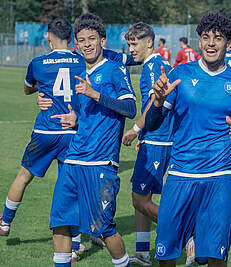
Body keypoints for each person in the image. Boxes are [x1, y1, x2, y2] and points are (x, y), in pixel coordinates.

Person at [145, 12, 231, 266]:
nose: (211, 43)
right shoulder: (179, 74)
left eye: (218, 38)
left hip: (220, 177)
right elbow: (152, 124)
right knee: (166, 255)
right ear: (199, 41)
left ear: (229, 43)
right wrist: (157, 101)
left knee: (216, 257)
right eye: (206, 37)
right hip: (181, 173)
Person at [49, 13, 136, 267]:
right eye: (82, 40)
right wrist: (74, 118)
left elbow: (130, 108)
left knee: (103, 228)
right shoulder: (80, 73)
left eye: (92, 39)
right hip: (74, 158)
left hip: (101, 162)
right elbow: (85, 113)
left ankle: (124, 263)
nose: (87, 44)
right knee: (61, 223)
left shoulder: (114, 69)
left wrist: (95, 94)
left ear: (102, 41)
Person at [0, 18, 87, 258]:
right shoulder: (83, 61)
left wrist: (42, 90)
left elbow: (28, 88)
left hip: (46, 131)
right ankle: (76, 244)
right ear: (71, 39)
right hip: (73, 131)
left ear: (49, 38)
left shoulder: (38, 63)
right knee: (71, 186)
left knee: (24, 175)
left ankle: (5, 221)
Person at [120, 22, 196, 266]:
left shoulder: (153, 66)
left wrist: (135, 129)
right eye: (129, 44)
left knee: (139, 200)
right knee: (141, 194)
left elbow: (156, 102)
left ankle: (187, 236)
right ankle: (142, 253)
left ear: (149, 43)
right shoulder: (161, 64)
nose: (131, 49)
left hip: (157, 140)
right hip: (157, 139)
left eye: (135, 44)